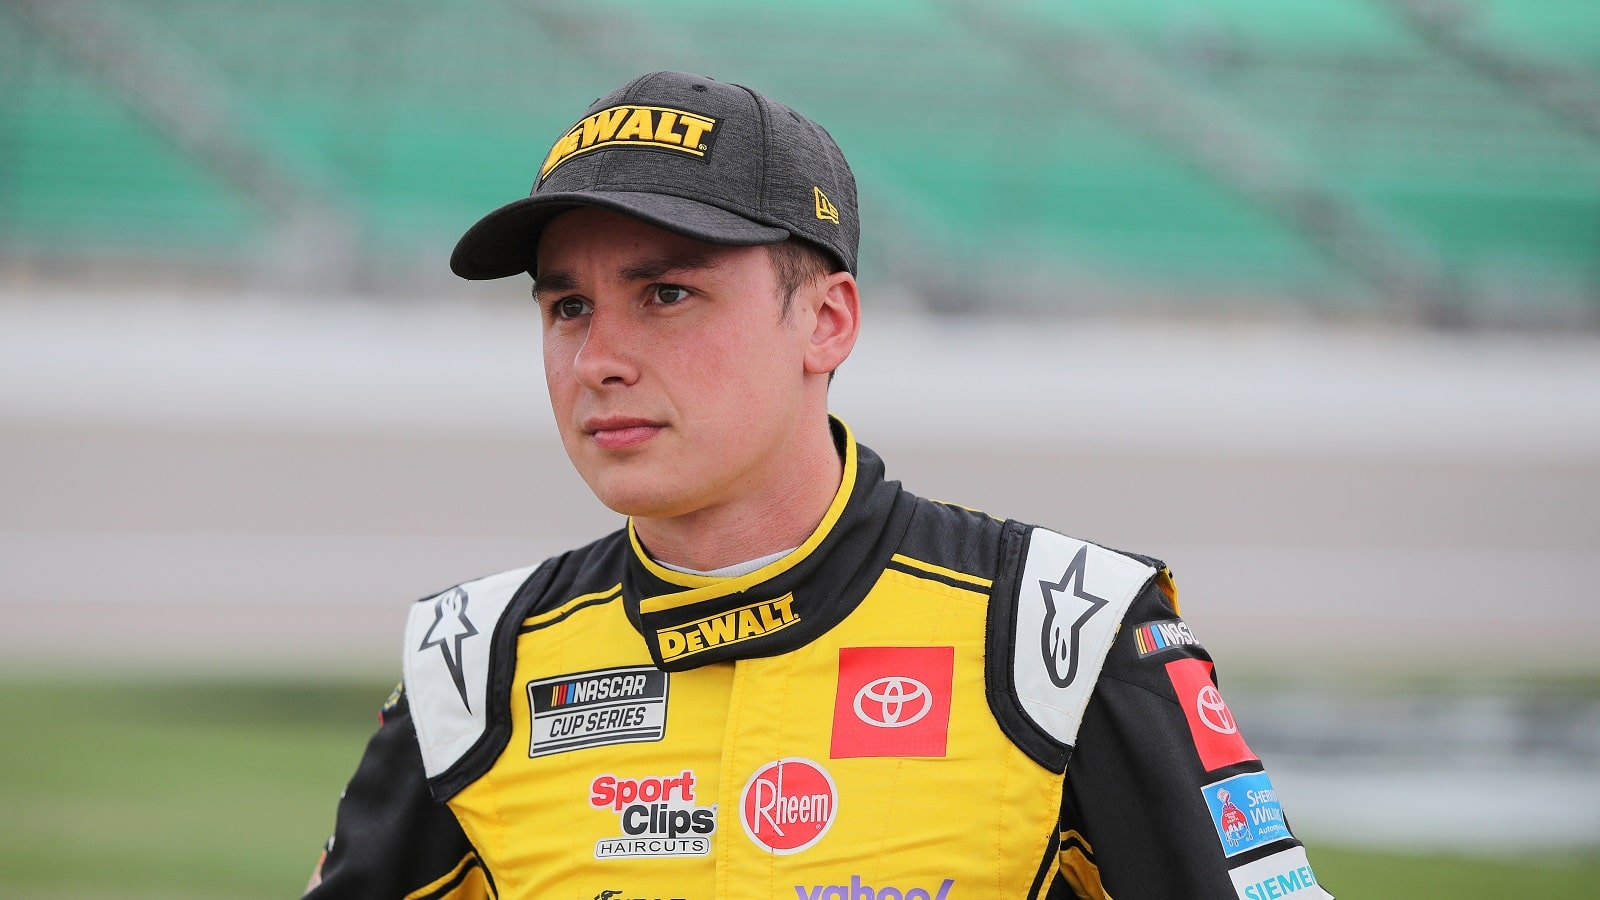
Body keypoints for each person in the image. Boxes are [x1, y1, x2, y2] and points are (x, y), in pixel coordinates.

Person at [304, 70, 1331, 900]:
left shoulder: (1061, 630)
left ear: (827, 320)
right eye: (567, 307)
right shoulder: (470, 665)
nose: (597, 359)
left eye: (667, 294)